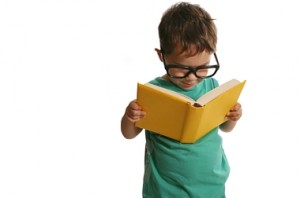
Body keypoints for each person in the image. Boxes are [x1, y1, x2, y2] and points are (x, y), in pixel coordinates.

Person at [121, 2, 242, 197]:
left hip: (211, 184)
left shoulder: (212, 87)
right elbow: (129, 134)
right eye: (182, 69)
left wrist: (232, 118)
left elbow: (224, 128)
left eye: (203, 67)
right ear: (162, 56)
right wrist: (129, 116)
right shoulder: (153, 92)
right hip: (165, 189)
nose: (192, 78)